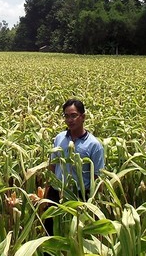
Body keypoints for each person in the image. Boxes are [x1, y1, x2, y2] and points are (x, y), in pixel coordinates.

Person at [44, 98, 105, 235]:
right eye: (66, 116)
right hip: (56, 193)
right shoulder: (59, 138)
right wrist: (46, 194)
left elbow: (97, 177)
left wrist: (93, 204)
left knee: (77, 236)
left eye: (73, 115)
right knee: (51, 234)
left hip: (79, 197)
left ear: (83, 117)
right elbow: (52, 167)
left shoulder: (94, 145)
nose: (69, 120)